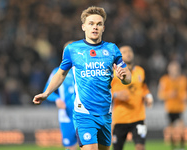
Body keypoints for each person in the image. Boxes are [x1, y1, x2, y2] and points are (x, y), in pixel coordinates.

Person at [33, 6, 131, 150]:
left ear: (103, 27)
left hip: (105, 113)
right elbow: (60, 74)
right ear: (84, 26)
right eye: (91, 23)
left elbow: (128, 77)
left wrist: (124, 77)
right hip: (84, 112)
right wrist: (46, 93)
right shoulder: (72, 49)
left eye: (98, 24)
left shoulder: (111, 49)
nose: (95, 27)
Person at [111, 46, 153, 150]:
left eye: (130, 51)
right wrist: (116, 94)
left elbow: (144, 87)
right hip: (120, 118)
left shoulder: (140, 71)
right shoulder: (113, 73)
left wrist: (148, 96)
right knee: (117, 148)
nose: (128, 53)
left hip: (138, 117)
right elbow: (104, 92)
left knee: (140, 147)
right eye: (124, 52)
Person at [43, 41, 77, 150]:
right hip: (66, 115)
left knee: (88, 145)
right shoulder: (57, 72)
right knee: (70, 146)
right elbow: (47, 91)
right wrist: (57, 99)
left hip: (84, 113)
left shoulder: (85, 70)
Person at [158, 61, 187, 150]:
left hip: (180, 108)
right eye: (173, 69)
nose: (175, 70)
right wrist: (169, 94)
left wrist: (184, 96)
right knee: (171, 131)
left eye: (176, 69)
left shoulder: (183, 80)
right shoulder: (164, 80)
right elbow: (160, 95)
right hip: (169, 109)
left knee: (181, 129)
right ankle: (174, 147)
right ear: (169, 69)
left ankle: (181, 146)